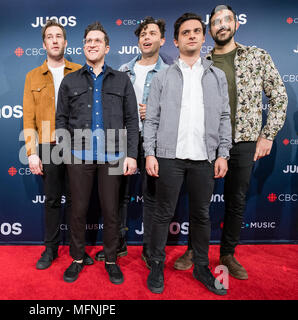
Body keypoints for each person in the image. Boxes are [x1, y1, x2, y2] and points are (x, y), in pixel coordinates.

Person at [173, 5, 288, 280]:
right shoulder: (202, 62)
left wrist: (268, 134)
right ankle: (194, 249)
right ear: (209, 29)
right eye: (215, 22)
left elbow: (279, 97)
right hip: (208, 142)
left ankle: (227, 253)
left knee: (236, 200)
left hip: (245, 141)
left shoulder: (257, 57)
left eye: (226, 20)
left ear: (236, 24)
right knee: (200, 201)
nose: (221, 25)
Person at [144, 13, 232, 295]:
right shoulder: (162, 77)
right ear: (176, 40)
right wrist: (150, 153)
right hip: (169, 157)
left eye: (196, 31)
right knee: (162, 214)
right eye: (185, 32)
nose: (191, 35)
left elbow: (224, 117)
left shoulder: (216, 76)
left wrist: (223, 153)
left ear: (203, 38)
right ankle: (156, 263)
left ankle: (202, 266)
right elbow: (152, 119)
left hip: (205, 158)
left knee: (202, 215)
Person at [55, 22, 139, 285]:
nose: (92, 45)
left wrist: (132, 154)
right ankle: (77, 258)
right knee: (78, 210)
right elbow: (61, 120)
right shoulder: (70, 80)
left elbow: (132, 120)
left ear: (107, 47)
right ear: (83, 46)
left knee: (112, 211)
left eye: (97, 41)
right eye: (88, 41)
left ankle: (112, 259)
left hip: (113, 155)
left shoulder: (122, 79)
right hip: (78, 155)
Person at [94, 17, 169, 268]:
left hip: (154, 142)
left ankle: (149, 249)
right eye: (143, 34)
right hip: (122, 139)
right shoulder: (123, 70)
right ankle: (117, 244)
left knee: (151, 196)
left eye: (152, 33)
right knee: (118, 195)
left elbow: (181, 109)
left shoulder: (170, 72)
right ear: (138, 40)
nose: (147, 38)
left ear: (163, 39)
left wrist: (159, 111)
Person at [23, 19, 94, 270]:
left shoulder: (79, 71)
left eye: (59, 36)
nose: (54, 40)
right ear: (44, 44)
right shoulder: (32, 76)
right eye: (50, 36)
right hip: (48, 145)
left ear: (66, 42)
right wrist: (32, 152)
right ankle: (50, 249)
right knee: (52, 200)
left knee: (78, 200)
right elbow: (28, 118)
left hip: (77, 145)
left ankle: (78, 250)